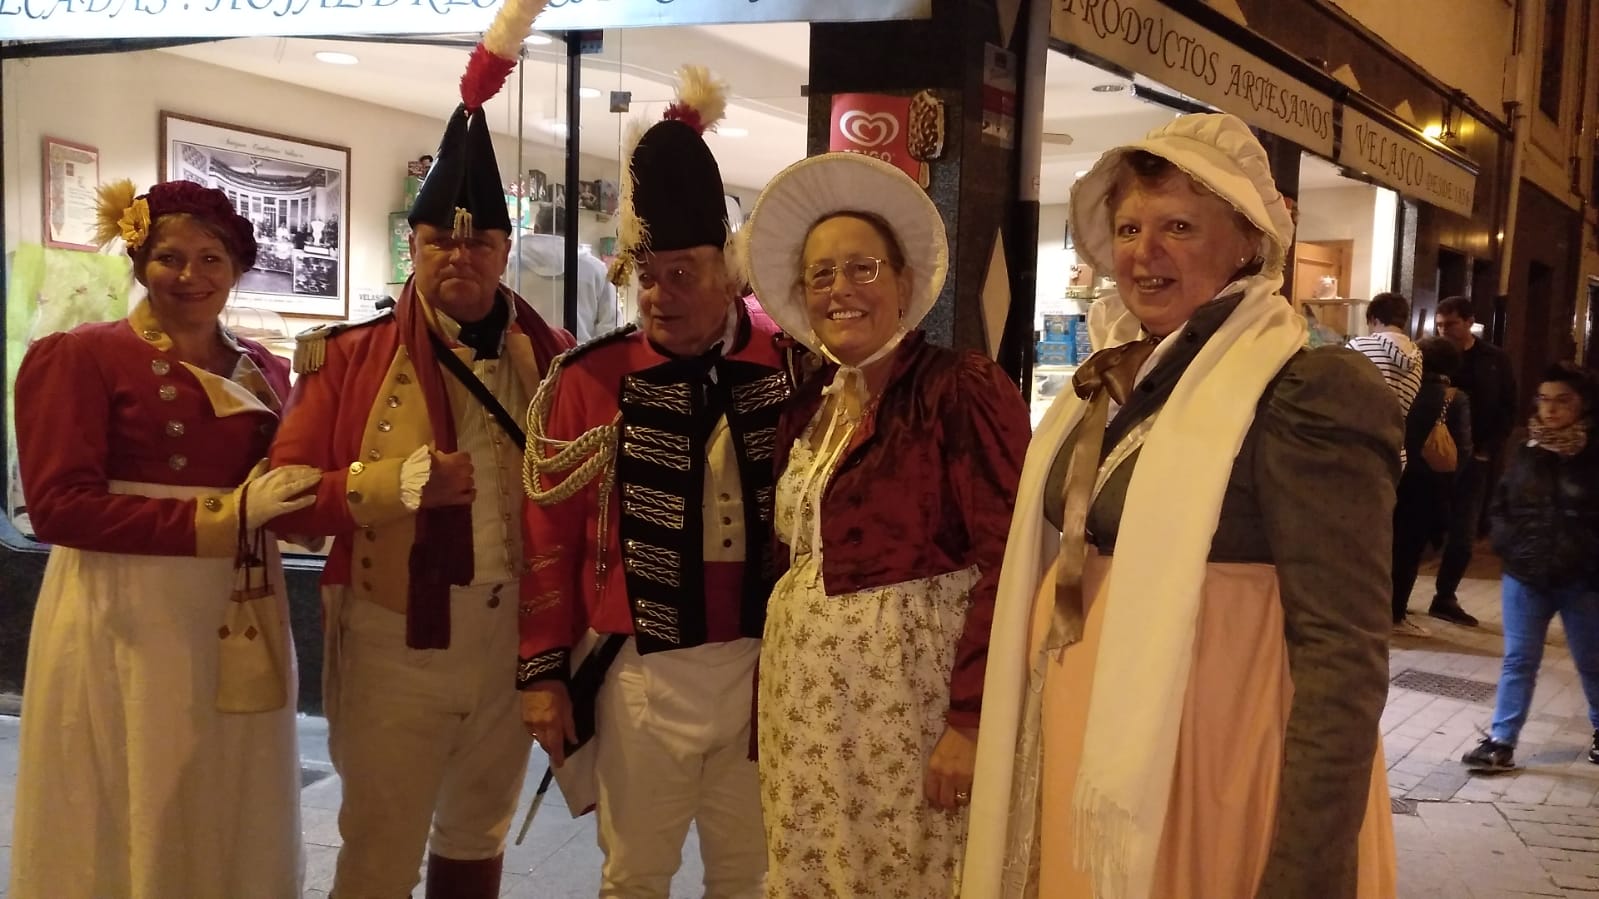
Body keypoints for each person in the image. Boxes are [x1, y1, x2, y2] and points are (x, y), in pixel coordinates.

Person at [963, 114, 1399, 899]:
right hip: (1094, 741)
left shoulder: (1306, 387)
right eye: (1128, 226)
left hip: (1213, 760)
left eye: (1177, 227)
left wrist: (1306, 867)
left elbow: (1344, 648)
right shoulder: (1115, 376)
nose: (1142, 251)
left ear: (1245, 241)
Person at [267, 9, 575, 896]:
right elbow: (284, 495)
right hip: (395, 631)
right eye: (442, 238)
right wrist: (395, 484)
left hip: (513, 631)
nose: (459, 256)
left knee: (477, 835)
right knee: (378, 849)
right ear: (414, 244)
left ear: (504, 251)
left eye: (478, 241)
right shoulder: (349, 356)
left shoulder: (549, 354)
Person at [9, 178, 318, 899]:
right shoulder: (81, 356)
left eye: (211, 259)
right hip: (131, 600)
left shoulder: (266, 369)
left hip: (242, 595)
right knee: (139, 763)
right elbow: (58, 507)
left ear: (236, 270)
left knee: (232, 770)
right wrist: (221, 518)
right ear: (138, 261)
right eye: (169, 258)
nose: (191, 276)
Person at [519, 66, 785, 898]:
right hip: (639, 669)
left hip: (761, 667)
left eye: (682, 274)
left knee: (749, 873)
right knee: (634, 874)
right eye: (646, 273)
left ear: (730, 272)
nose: (658, 294)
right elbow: (547, 539)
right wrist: (541, 671)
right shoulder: (586, 379)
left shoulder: (791, 367)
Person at [740, 153, 1031, 895]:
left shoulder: (957, 388)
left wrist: (968, 721)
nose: (841, 289)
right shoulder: (805, 406)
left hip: (910, 719)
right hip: (806, 717)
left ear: (905, 284)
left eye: (863, 268)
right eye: (821, 274)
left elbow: (1010, 559)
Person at [1460, 362, 1599, 772]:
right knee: (1519, 660)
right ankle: (1501, 741)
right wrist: (1506, 542)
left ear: (1582, 405)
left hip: (1583, 578)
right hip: (1525, 574)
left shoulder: (1594, 453)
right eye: (1544, 400)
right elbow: (1503, 504)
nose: (1551, 410)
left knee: (1591, 660)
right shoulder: (1526, 448)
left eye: (1563, 401)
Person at [1431, 294, 1518, 626]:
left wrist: (1489, 448)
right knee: (1420, 524)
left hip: (1475, 458)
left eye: (1450, 324)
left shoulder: (1493, 360)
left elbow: (1508, 406)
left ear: (1469, 322)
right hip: (1435, 456)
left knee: (1463, 531)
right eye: (1439, 325)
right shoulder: (1431, 357)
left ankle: (1445, 595)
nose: (1443, 331)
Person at [1391, 337, 1473, 637]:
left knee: (1388, 545)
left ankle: (1382, 607)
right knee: (1410, 551)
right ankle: (1396, 612)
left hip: (1394, 477)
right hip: (1428, 485)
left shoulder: (1403, 388)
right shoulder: (1454, 398)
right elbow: (1462, 450)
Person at [514, 202, 619, 341]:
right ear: (571, 230)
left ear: (536, 228)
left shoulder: (509, 265)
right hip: (580, 358)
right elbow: (610, 328)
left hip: (526, 357)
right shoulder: (596, 269)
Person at [1348, 291, 1423, 467]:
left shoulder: (1359, 346)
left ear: (1374, 319)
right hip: (1396, 450)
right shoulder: (1418, 357)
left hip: (1361, 447)